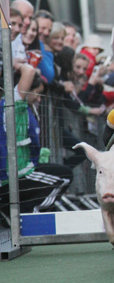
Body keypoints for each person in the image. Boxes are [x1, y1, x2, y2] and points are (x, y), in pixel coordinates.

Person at [0, 65, 73, 216]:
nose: (39, 99)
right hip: (14, 175)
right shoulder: (13, 105)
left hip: (20, 170)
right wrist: (18, 64)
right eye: (38, 94)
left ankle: (13, 211)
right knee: (64, 177)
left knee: (57, 171)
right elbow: (29, 70)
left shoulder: (22, 108)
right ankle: (30, 213)